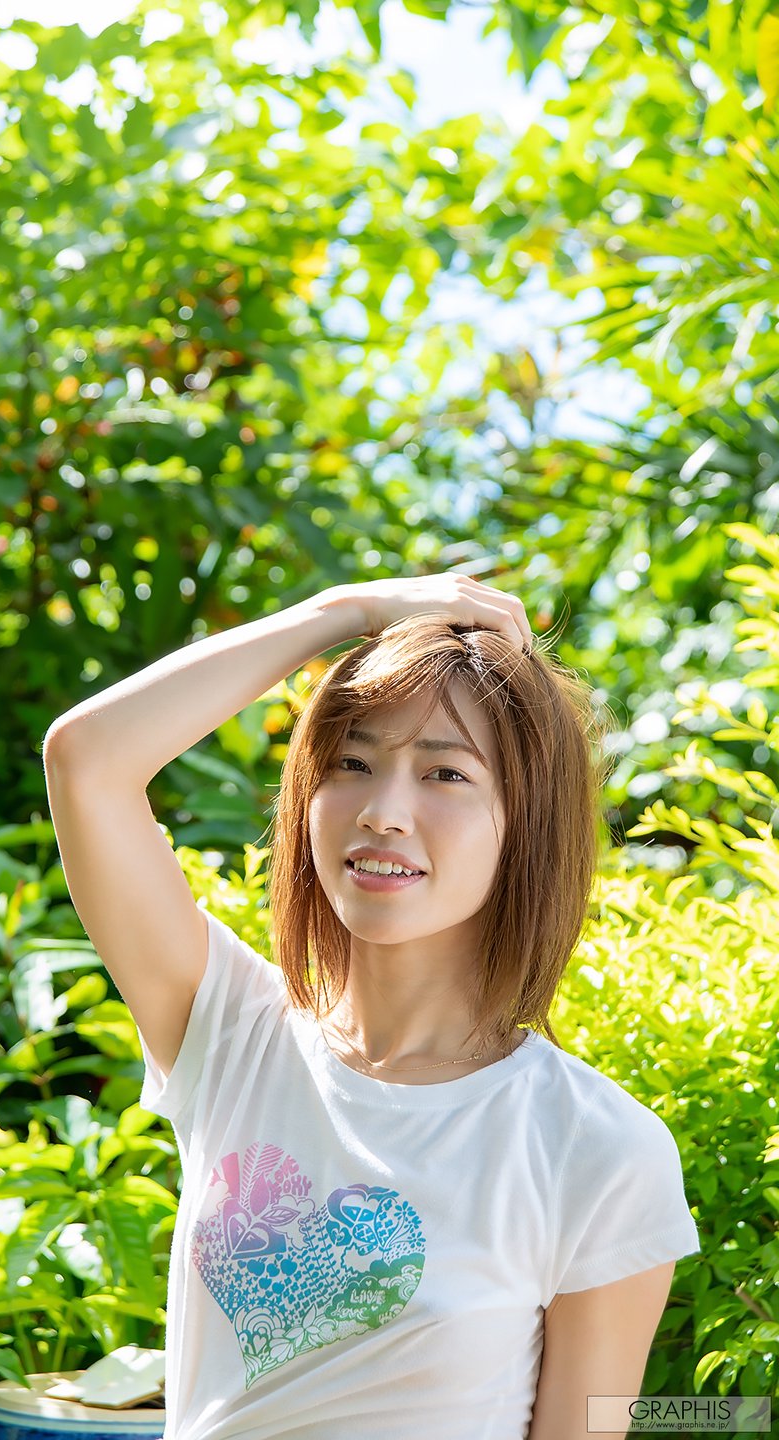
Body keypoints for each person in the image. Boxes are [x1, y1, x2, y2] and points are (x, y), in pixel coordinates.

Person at [42, 572, 701, 1440]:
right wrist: (342, 613)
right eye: (353, 763)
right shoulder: (233, 1034)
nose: (384, 813)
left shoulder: (595, 1147)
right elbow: (86, 760)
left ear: (527, 823)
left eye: (445, 773)